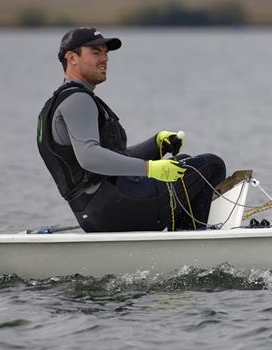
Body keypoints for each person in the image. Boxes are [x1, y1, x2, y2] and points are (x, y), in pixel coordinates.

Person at [37, 27, 226, 232]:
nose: (104, 59)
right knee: (210, 165)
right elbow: (89, 158)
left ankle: (182, 237)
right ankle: (192, 245)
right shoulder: (78, 100)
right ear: (72, 58)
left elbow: (112, 160)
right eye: (96, 52)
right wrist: (149, 168)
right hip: (115, 207)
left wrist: (155, 145)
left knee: (182, 163)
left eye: (105, 53)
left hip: (97, 211)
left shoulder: (61, 101)